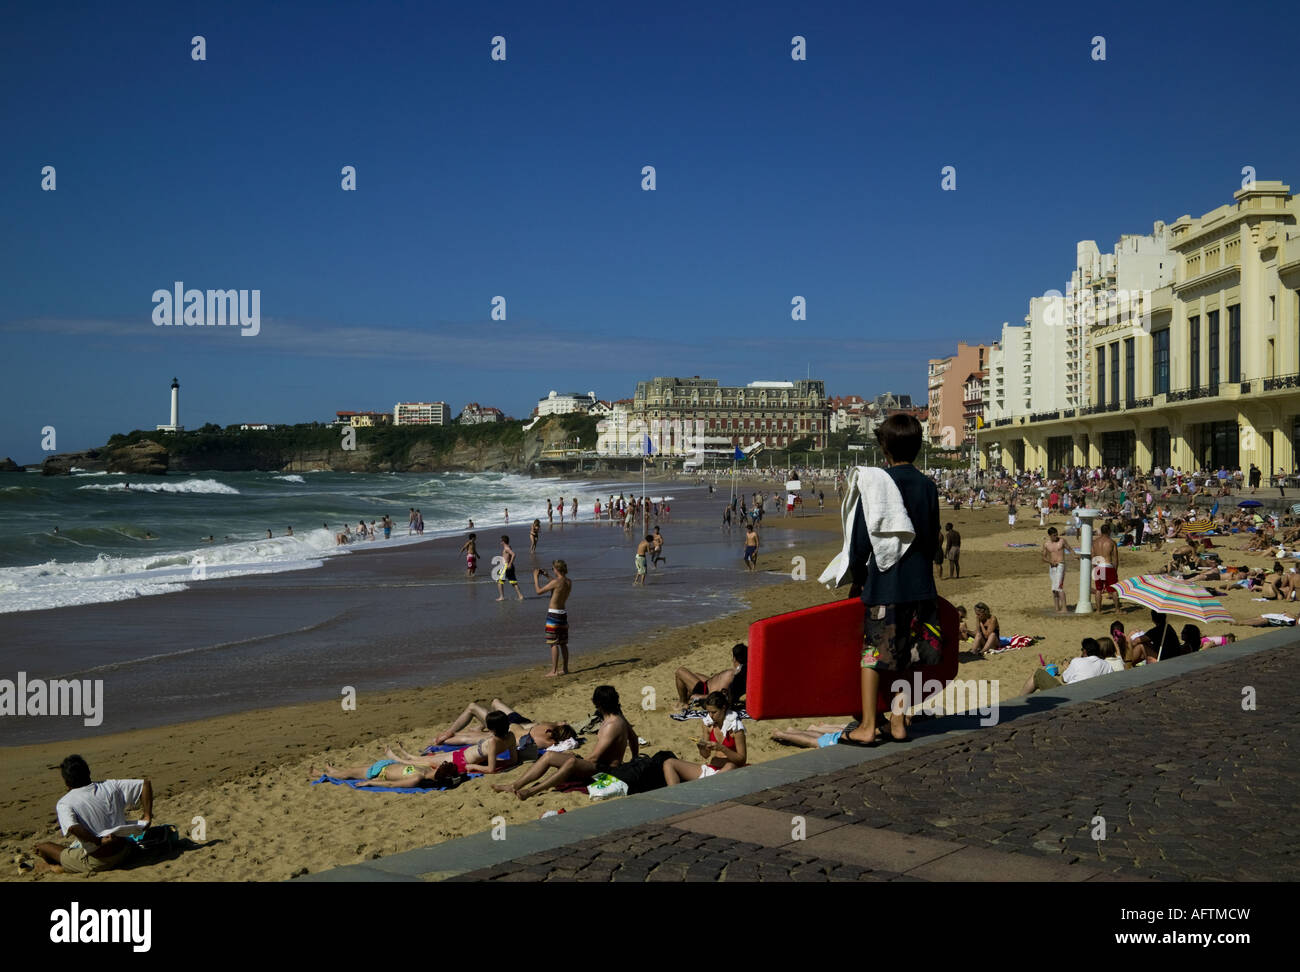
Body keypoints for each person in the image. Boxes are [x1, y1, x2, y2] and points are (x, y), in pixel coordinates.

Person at [840, 414, 942, 746]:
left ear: (884, 447)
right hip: (921, 586)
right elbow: (932, 539)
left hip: (886, 584)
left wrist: (857, 574)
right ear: (918, 445)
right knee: (908, 655)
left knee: (872, 655)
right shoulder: (927, 486)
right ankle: (898, 721)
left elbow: (860, 540)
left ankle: (868, 727)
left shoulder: (876, 484)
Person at [492, 685, 637, 800]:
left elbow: (594, 758)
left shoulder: (612, 725)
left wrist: (576, 761)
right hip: (600, 765)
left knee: (571, 762)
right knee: (549, 755)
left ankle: (531, 791)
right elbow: (634, 738)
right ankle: (514, 785)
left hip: (606, 770)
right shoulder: (619, 718)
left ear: (598, 703)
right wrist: (635, 758)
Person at [32, 756, 153, 875]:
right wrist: (147, 816)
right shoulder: (111, 785)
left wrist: (98, 841)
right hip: (124, 851)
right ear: (88, 772)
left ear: (67, 782)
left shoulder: (65, 802)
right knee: (79, 843)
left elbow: (72, 827)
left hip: (99, 862)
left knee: (43, 847)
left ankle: (57, 867)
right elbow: (144, 784)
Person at [327, 713, 517, 785]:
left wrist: (473, 768)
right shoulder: (510, 737)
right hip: (462, 756)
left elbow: (491, 769)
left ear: (491, 729)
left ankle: (401, 758)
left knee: (423, 763)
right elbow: (513, 760)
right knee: (425, 759)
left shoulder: (492, 742)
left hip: (462, 761)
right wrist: (504, 763)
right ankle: (406, 756)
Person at [431, 698, 577, 753]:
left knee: (473, 708)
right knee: (494, 703)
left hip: (510, 726)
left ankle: (448, 733)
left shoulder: (547, 731)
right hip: (516, 724)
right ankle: (479, 727)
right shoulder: (548, 738)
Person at [662, 692, 747, 784]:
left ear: (723, 708)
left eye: (714, 712)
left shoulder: (735, 728)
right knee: (669, 763)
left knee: (730, 766)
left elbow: (742, 760)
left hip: (730, 769)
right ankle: (675, 796)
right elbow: (706, 755)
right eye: (708, 712)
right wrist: (702, 748)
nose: (710, 715)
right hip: (712, 769)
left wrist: (722, 748)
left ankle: (706, 785)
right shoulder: (708, 725)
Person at [1021, 637, 1112, 694]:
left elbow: (1064, 679)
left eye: (1082, 649)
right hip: (1091, 696)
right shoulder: (1107, 665)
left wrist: (1068, 667)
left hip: (1068, 696)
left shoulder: (1077, 661)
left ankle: (1019, 700)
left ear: (1084, 651)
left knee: (1037, 674)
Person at [674, 643, 747, 705]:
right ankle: (687, 697)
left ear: (734, 659)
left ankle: (683, 703)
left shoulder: (732, 675)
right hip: (708, 687)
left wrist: (700, 697)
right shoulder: (743, 672)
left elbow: (721, 696)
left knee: (680, 671)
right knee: (696, 675)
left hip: (705, 693)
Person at [534, 560, 572, 677]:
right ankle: (565, 668)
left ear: (556, 569)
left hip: (553, 615)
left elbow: (538, 591)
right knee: (563, 643)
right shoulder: (568, 581)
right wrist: (547, 576)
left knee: (553, 643)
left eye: (553, 569)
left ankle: (554, 671)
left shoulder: (556, 582)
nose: (552, 570)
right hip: (562, 614)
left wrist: (535, 577)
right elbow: (557, 584)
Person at [1042, 526, 1073, 613]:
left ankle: (1064, 608)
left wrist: (1074, 555)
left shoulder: (1062, 541)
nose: (1056, 537)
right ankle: (1056, 608)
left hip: (1060, 565)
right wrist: (1050, 561)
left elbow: (1069, 549)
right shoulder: (1046, 544)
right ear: (1050, 535)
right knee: (1054, 588)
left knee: (1059, 587)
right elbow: (1043, 557)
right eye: (1054, 535)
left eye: (1056, 535)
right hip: (1052, 567)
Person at [1091, 523, 1120, 612]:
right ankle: (1117, 610)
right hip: (1108, 566)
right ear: (1109, 531)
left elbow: (1093, 557)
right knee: (1114, 589)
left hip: (1098, 566)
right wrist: (1115, 570)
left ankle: (1098, 610)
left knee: (1098, 589)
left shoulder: (1095, 542)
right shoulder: (1111, 542)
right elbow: (1115, 559)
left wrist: (1095, 567)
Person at [496, 535, 524, 600]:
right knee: (513, 582)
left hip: (506, 566)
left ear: (503, 541)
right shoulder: (508, 547)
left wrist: (510, 563)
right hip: (508, 566)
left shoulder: (506, 548)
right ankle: (520, 596)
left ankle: (501, 596)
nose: (500, 542)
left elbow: (513, 554)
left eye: (501, 541)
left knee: (499, 581)